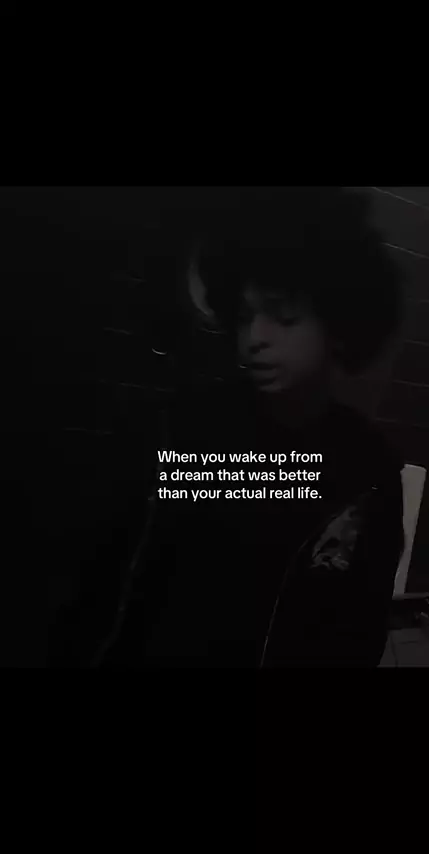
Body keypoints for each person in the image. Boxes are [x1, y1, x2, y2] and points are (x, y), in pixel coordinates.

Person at [97, 187, 405, 668]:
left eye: (283, 316)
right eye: (244, 316)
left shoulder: (370, 469)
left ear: (339, 323)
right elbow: (110, 596)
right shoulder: (178, 433)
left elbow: (360, 628)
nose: (254, 338)